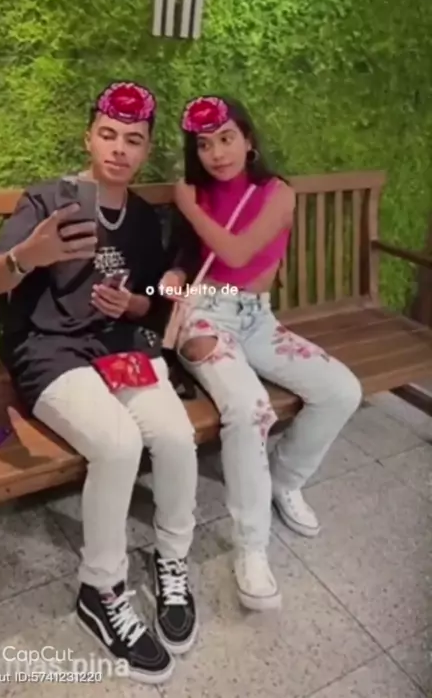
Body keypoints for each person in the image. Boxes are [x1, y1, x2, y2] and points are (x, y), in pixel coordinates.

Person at [0, 81, 198, 685]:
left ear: (146, 149)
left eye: (134, 139)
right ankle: (100, 591)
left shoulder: (143, 219)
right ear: (89, 138)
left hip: (118, 346)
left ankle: (172, 563)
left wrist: (135, 304)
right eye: (108, 135)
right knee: (119, 444)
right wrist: (30, 254)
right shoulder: (48, 199)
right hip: (48, 351)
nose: (119, 149)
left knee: (176, 437)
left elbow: (150, 300)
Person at [160, 95, 362, 612]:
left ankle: (284, 480)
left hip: (257, 318)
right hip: (205, 316)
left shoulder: (278, 193)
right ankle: (252, 548)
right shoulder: (199, 192)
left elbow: (236, 252)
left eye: (226, 139)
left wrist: (185, 203)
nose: (216, 153)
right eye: (204, 145)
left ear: (248, 139)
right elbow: (189, 256)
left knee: (342, 390)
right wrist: (175, 275)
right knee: (250, 410)